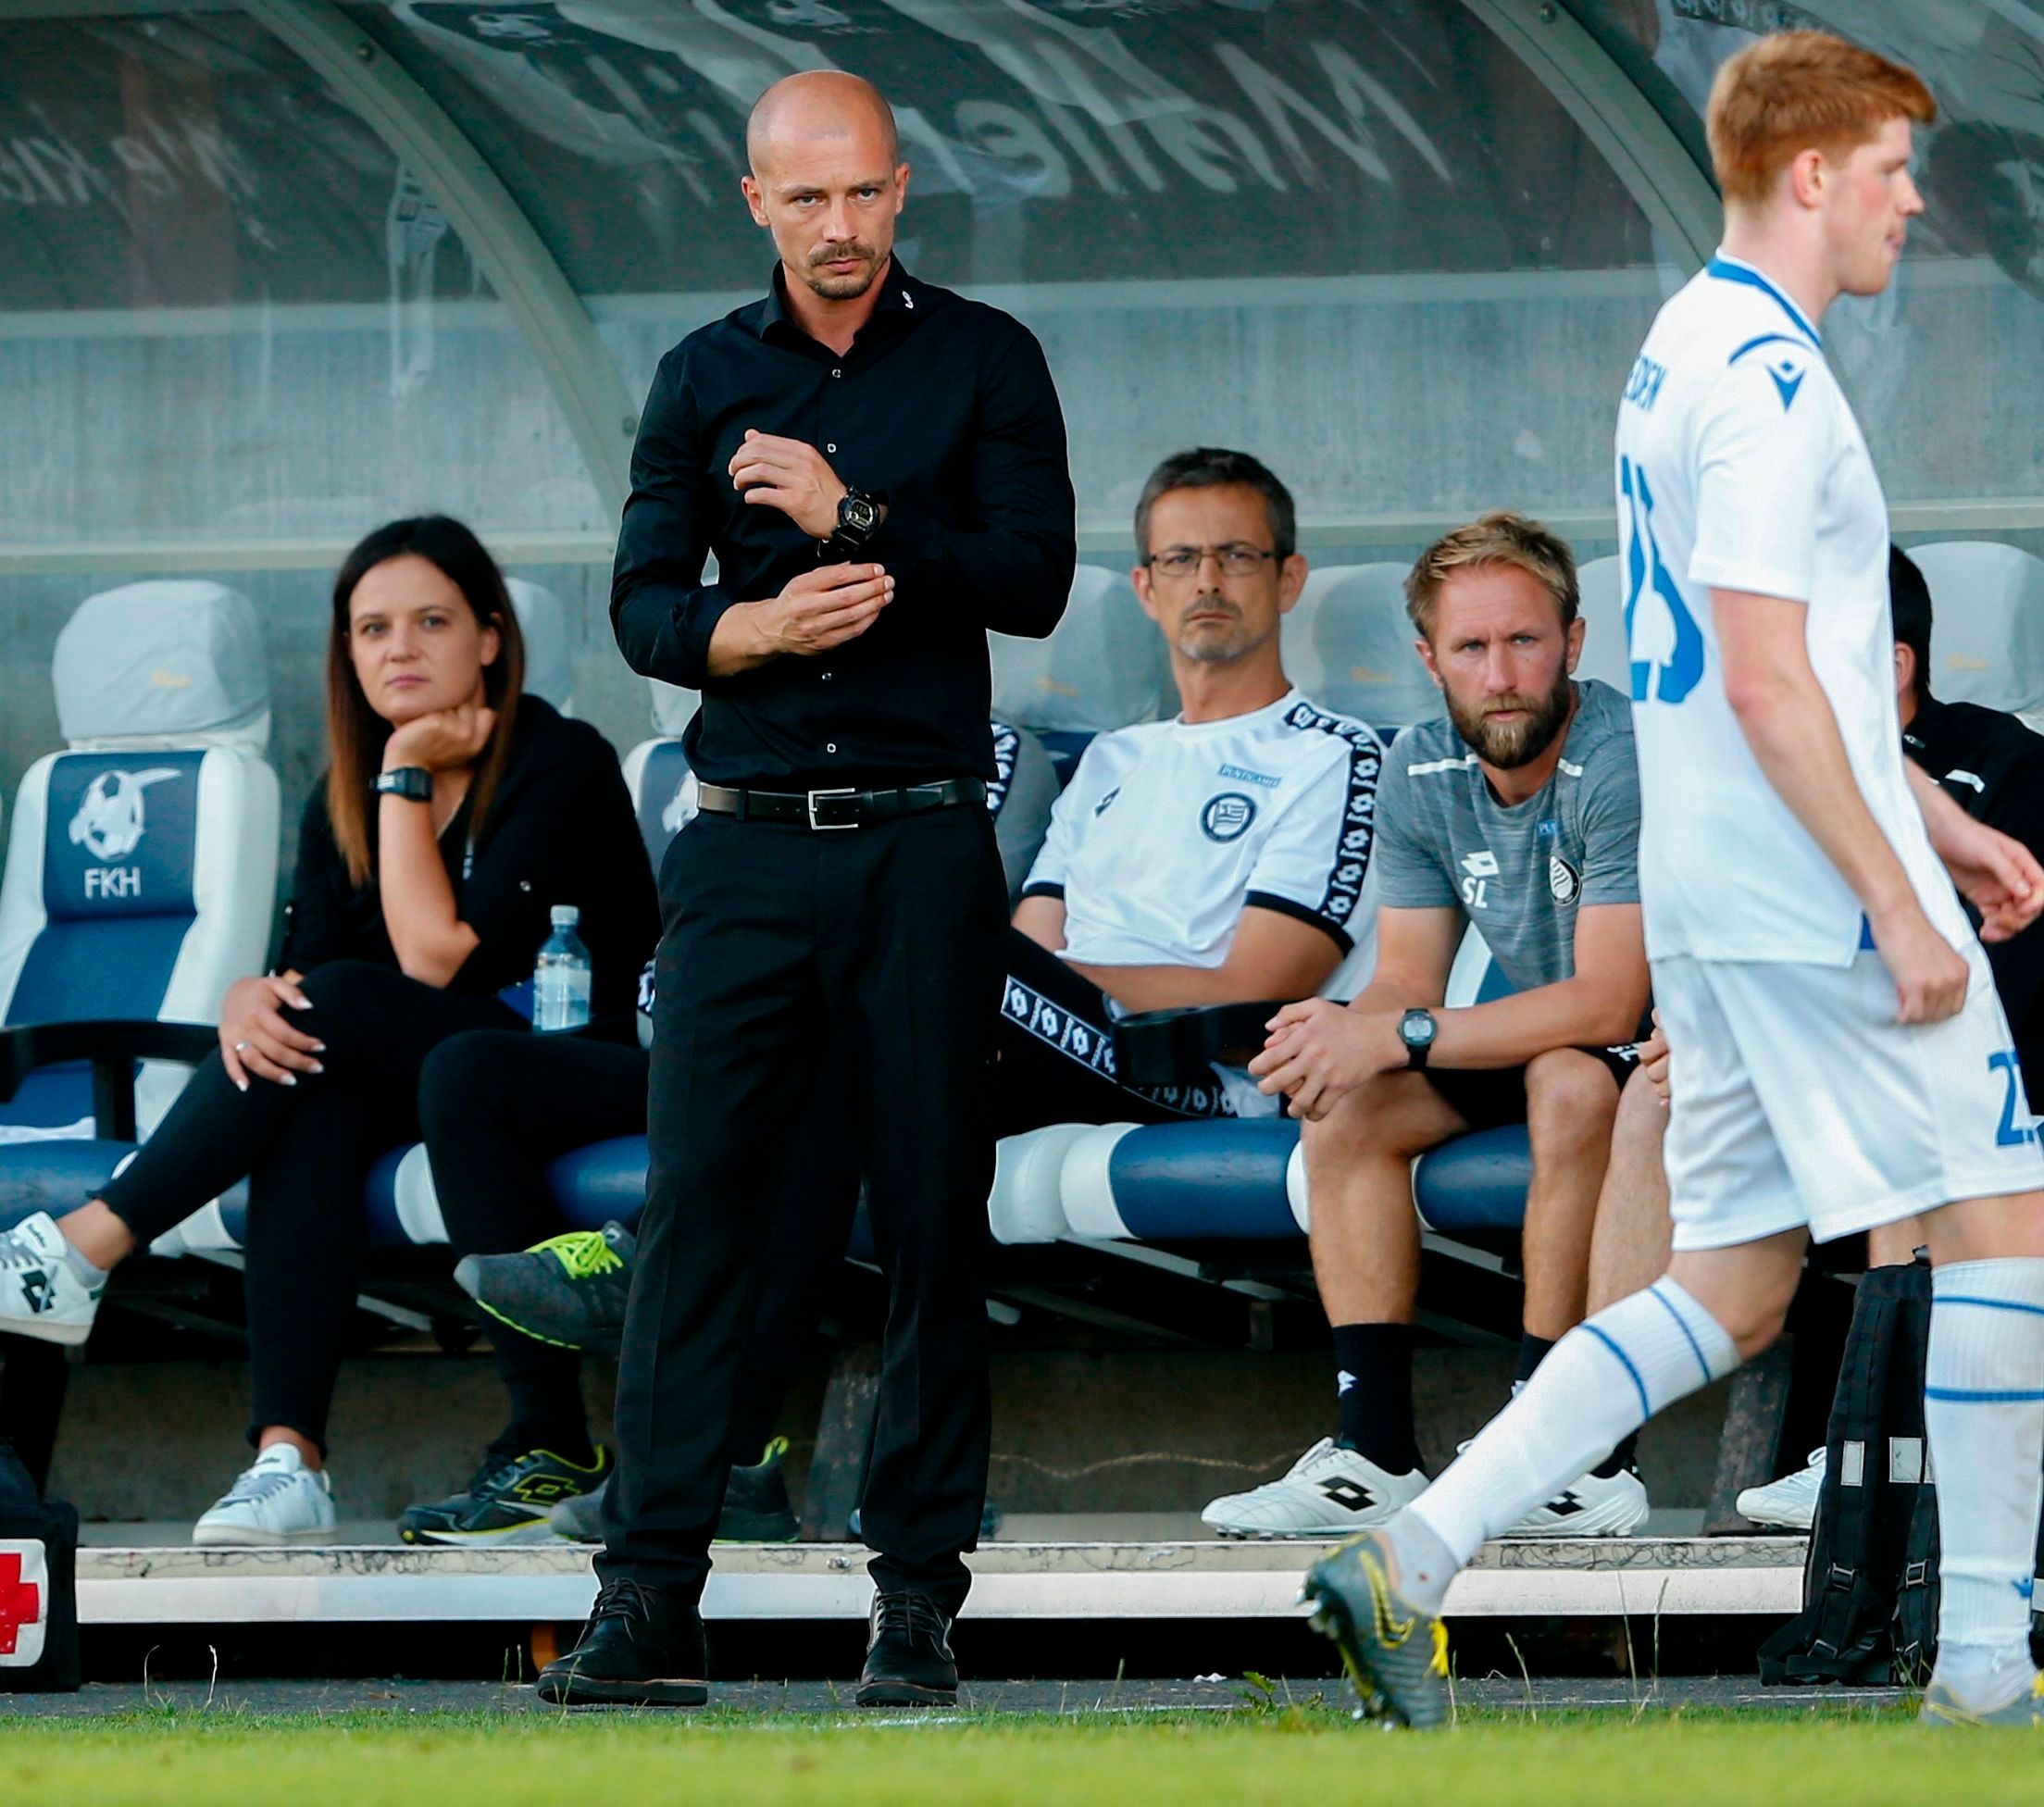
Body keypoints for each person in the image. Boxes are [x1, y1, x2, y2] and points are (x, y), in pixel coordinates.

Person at [1299, 32, 2044, 1732]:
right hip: (1806, 898)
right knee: (2004, 1224)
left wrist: (1937, 821)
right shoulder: (1769, 382)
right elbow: (1758, 675)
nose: (1909, 199)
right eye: (1889, 166)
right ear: (1807, 172)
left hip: (1720, 895)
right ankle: (1979, 1674)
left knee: (1729, 1284)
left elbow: (1776, 664)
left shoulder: (1682, 345)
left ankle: (1414, 1554)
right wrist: (1895, 893)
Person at [464, 445, 1383, 1477]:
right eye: (1179, 560)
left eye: (1235, 555)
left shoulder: (1333, 751)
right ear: (1144, 587)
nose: (1206, 583)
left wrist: (1002, 979)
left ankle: (658, 1271)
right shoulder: (1118, 759)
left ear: (1288, 577)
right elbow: (1032, 942)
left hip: (1183, 1071)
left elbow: (1255, 982)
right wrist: (996, 979)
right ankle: (722, 1449)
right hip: (1022, 1035)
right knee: (863, 998)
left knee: (894, 965)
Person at [537, 70, 1076, 1712]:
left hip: (922, 840)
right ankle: (648, 1601)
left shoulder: (984, 357)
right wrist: (742, 631)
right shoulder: (701, 376)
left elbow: (1033, 580)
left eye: (864, 197)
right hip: (747, 841)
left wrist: (857, 519)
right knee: (696, 1212)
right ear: (755, 202)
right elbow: (636, 605)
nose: (838, 231)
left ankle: (913, 1600)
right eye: (806, 200)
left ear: (899, 191)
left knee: (927, 1215)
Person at [0, 516, 657, 1543]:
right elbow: (304, 986)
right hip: (446, 1069)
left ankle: (85, 1245)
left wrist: (403, 776)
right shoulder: (338, 797)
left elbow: (439, 958)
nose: (398, 648)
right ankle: (287, 1457)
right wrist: (244, 999)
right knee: (311, 1080)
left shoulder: (559, 759)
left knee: (394, 1030)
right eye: (371, 629)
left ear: (489, 638)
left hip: (596, 1062)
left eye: (430, 621)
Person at [394, 720, 1028, 1547]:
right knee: (467, 1072)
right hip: (693, 1047)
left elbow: (972, 929)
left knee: (814, 1037)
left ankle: (715, 1434)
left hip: (884, 1039)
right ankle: (549, 1439)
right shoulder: (721, 757)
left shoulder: (970, 753)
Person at [1206, 512, 1651, 1542]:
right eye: (1470, 647)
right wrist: (1334, 1037)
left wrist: (1395, 1031)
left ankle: (1567, 1453)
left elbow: (1607, 1003)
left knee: (1570, 1080)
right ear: (1429, 659)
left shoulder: (1618, 757)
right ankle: (1374, 1454)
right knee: (1350, 1109)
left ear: (1573, 644)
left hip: (1680, 1046)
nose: (1499, 672)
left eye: (1523, 640)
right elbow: (1406, 973)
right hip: (1544, 1032)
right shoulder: (1418, 765)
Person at [1727, 544, 2044, 1527]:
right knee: (1648, 1096)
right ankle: (1583, 1471)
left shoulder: (2014, 769)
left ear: (1891, 666)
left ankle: (1865, 1444)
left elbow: (1978, 984)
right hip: (1932, 1053)